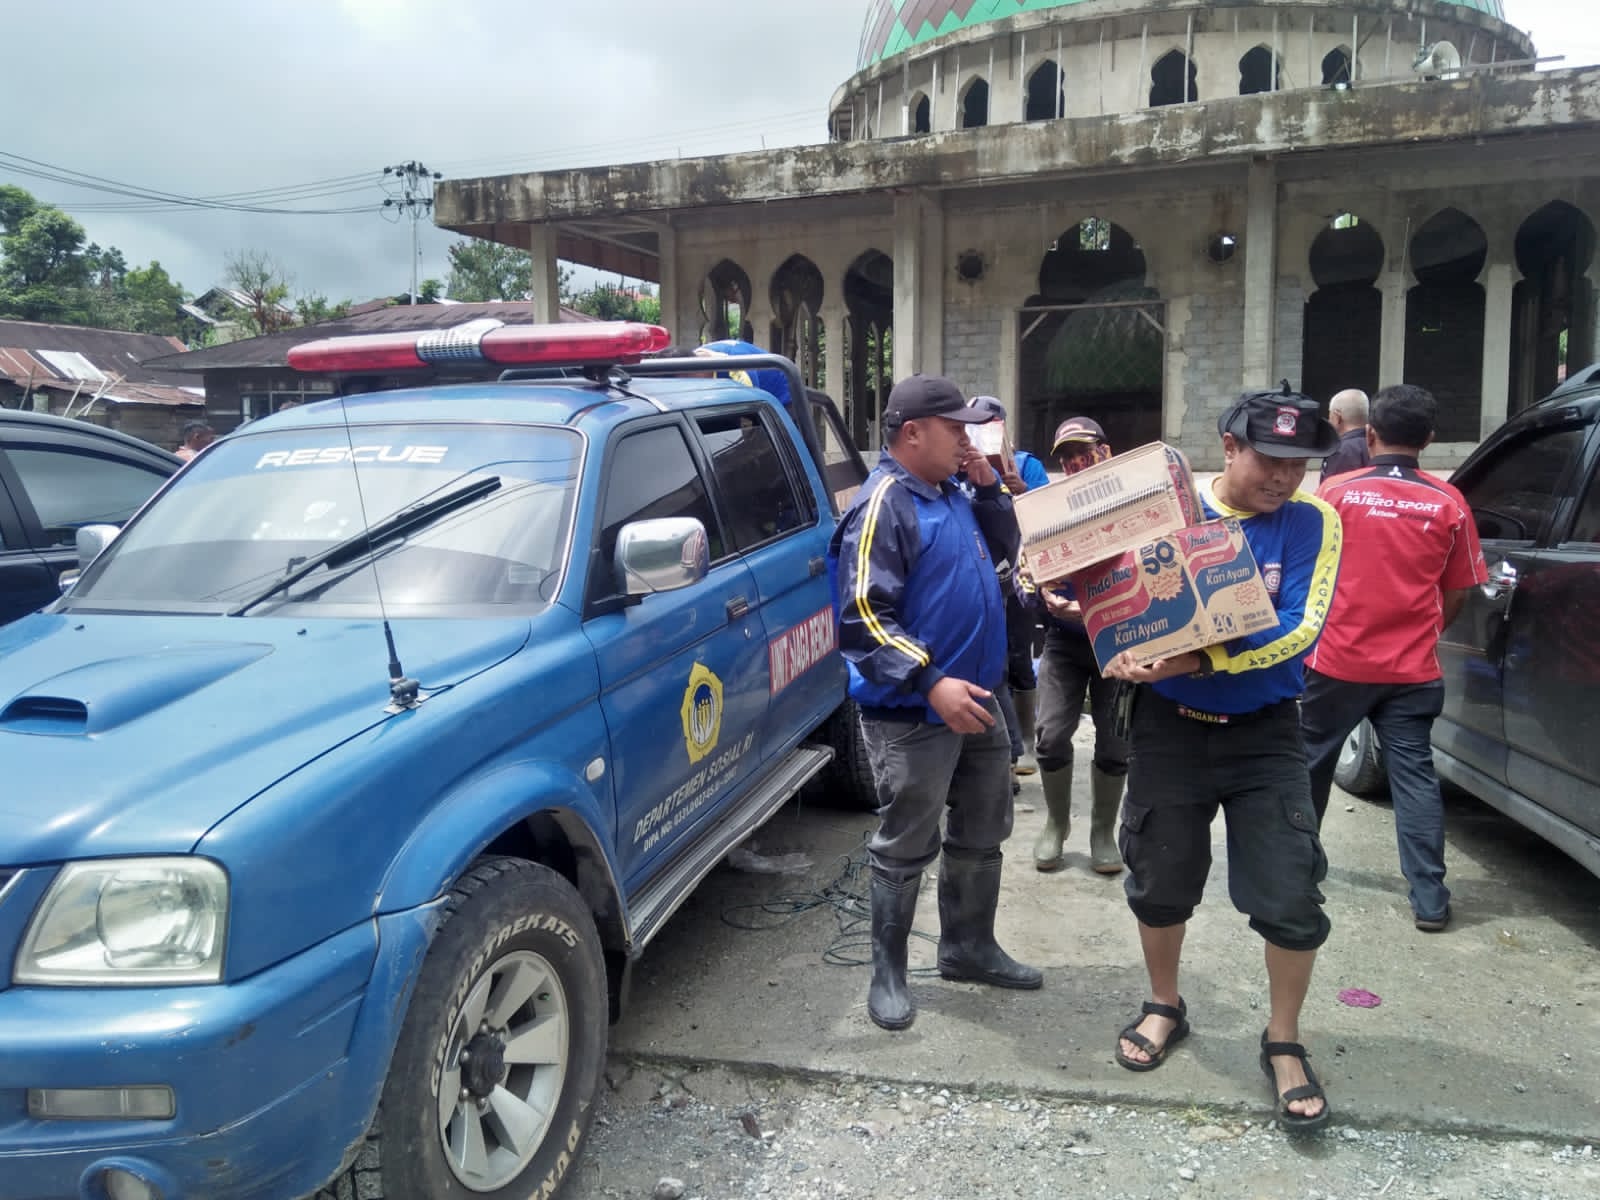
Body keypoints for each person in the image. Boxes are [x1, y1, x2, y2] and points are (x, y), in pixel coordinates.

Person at [1103, 384, 1342, 1133]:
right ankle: (1164, 1004)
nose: (1283, 478)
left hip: (1265, 732)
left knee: (1289, 893)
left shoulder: (1313, 520)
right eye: (1269, 459)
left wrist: (1199, 663)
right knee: (1160, 874)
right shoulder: (1170, 511)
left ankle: (1283, 1040)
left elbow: (1302, 628)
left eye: (1298, 465)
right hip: (1168, 729)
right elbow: (1109, 589)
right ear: (1230, 446)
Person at [829, 374, 1043, 1032]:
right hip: (916, 712)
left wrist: (987, 486)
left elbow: (1006, 549)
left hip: (978, 698)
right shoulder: (885, 503)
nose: (966, 438)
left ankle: (968, 947)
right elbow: (862, 614)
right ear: (912, 433)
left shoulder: (950, 491)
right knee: (905, 841)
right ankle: (888, 973)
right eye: (955, 429)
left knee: (983, 829)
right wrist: (930, 681)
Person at [1301, 384, 1487, 933]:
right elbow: (1458, 591)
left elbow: (1305, 573)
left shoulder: (1333, 492)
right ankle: (1429, 896)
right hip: (1411, 670)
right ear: (1428, 440)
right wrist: (1423, 630)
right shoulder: (1447, 502)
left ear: (1371, 433)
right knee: (1414, 778)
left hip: (1334, 663)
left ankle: (1299, 874)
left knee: (1309, 766)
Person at [1030, 416, 1128, 875]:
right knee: (1050, 735)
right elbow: (1031, 571)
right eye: (1066, 456)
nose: (1074, 462)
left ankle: (1102, 831)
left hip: (1120, 642)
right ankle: (1056, 822)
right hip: (1064, 641)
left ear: (1105, 451)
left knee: (1115, 744)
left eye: (1082, 451)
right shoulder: (1049, 510)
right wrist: (1041, 595)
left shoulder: (1134, 500)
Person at [970, 396, 1046, 786]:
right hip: (980, 583)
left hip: (1018, 577)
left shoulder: (1029, 465)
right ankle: (1005, 752)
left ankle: (1026, 743)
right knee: (993, 665)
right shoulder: (959, 469)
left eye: (992, 427)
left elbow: (1047, 518)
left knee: (1019, 657)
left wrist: (1019, 491)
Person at [1320, 388, 1371, 481]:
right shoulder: (1377, 446)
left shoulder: (1341, 451)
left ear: (1337, 417)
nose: (1329, 421)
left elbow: (1331, 491)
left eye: (1329, 416)